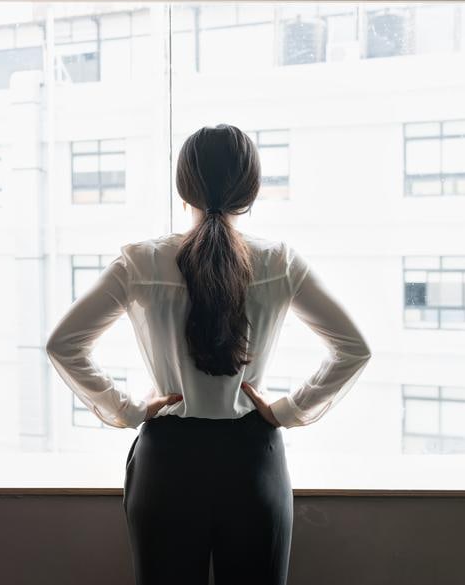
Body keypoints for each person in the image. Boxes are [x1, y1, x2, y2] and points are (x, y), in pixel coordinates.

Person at [45, 123, 372, 585]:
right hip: (252, 460)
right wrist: (288, 409)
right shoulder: (279, 261)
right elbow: (353, 349)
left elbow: (64, 344)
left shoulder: (140, 261)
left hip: (168, 464)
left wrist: (129, 409)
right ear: (252, 191)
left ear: (183, 189)